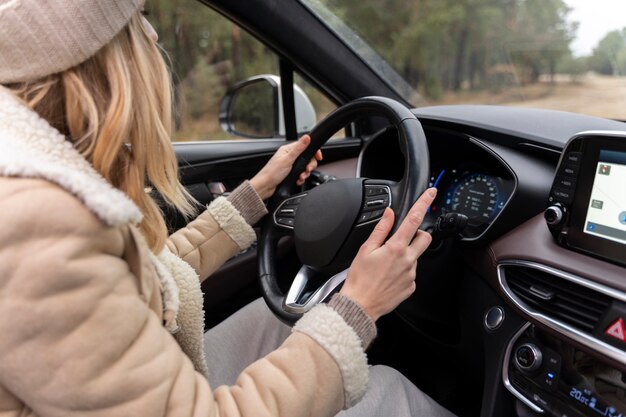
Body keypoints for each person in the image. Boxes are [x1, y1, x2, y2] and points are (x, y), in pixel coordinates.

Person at [0, 1, 455, 416]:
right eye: (139, 20)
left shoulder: (38, 179)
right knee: (392, 389)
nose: (154, 37)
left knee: (279, 315)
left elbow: (148, 277)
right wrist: (360, 305)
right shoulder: (39, 227)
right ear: (96, 57)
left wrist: (254, 194)